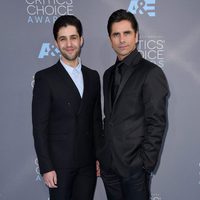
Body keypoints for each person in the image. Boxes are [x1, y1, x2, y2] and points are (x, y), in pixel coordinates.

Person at [97, 9, 169, 200]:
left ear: (136, 36)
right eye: (116, 34)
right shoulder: (107, 74)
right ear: (110, 39)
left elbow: (157, 122)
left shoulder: (151, 73)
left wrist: (145, 163)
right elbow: (109, 118)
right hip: (109, 166)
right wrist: (102, 154)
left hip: (134, 168)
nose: (122, 40)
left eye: (127, 33)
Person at [32, 15, 102, 200]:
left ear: (81, 40)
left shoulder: (93, 76)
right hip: (59, 166)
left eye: (73, 37)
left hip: (87, 165)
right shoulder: (45, 78)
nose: (69, 44)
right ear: (56, 43)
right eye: (63, 39)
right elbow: (40, 128)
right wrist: (46, 167)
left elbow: (95, 121)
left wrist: (98, 157)